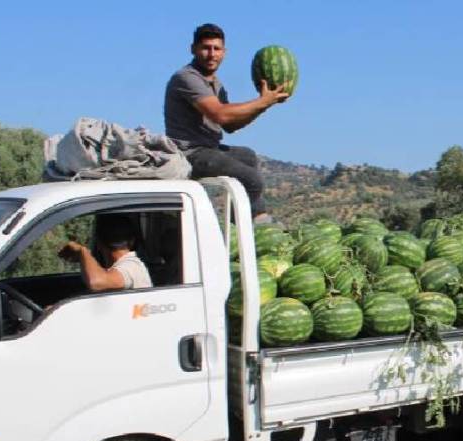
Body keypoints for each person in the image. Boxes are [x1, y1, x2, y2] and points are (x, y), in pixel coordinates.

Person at [164, 23, 290, 223]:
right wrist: (262, 101)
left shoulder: (215, 84)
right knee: (252, 181)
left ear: (224, 52)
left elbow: (231, 125)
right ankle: (235, 230)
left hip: (209, 148)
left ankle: (258, 217)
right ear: (193, 49)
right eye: (206, 48)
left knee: (247, 156)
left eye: (217, 49)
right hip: (189, 153)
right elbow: (220, 115)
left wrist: (266, 104)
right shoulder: (187, 78)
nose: (211, 54)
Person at [59, 215, 153, 291]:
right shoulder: (125, 265)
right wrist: (83, 258)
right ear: (132, 241)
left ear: (99, 244)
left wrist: (82, 251)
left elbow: (96, 282)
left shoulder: (131, 266)